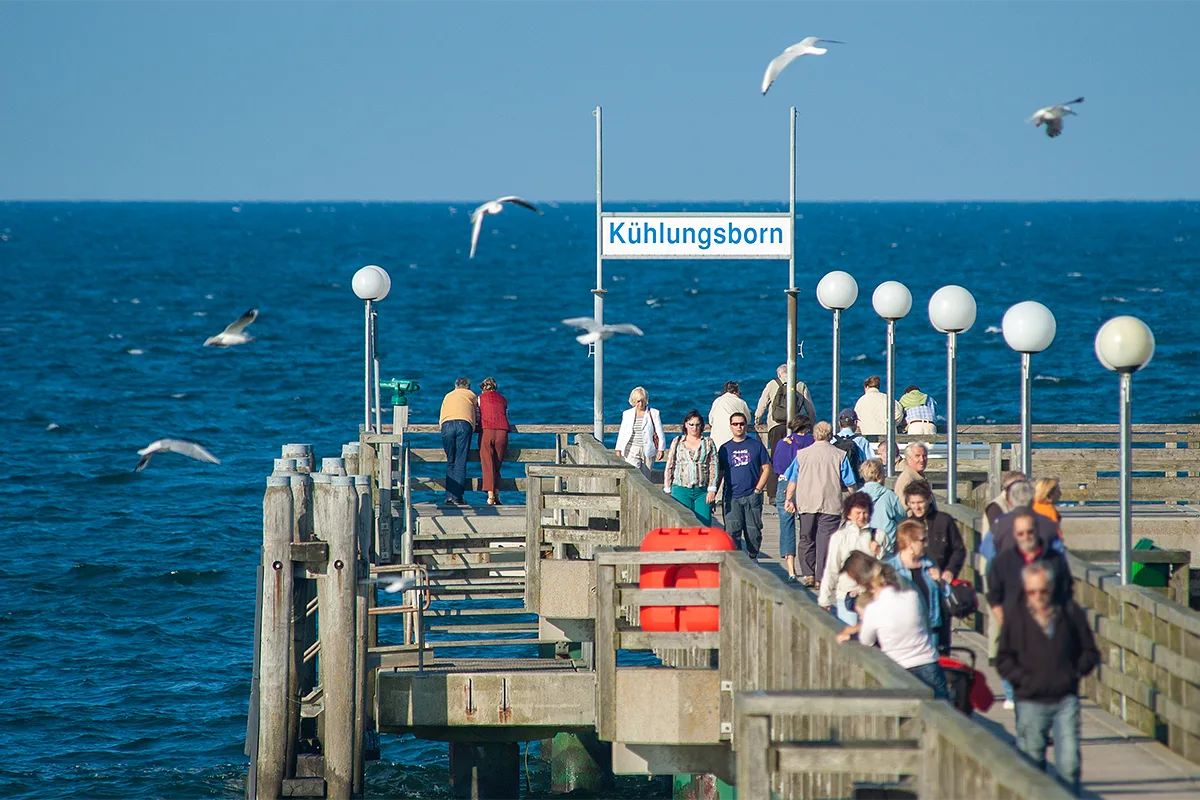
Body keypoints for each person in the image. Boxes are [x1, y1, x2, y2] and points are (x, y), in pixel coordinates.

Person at [996, 563, 1098, 795]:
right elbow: (1003, 659)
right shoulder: (1016, 617)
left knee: (1069, 764)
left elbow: (1090, 652)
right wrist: (1023, 680)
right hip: (1030, 700)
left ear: (1051, 588)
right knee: (1031, 764)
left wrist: (1072, 673)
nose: (1038, 597)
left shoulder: (1070, 612)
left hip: (1064, 699)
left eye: (1043, 591)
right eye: (1032, 592)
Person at [986, 510, 1074, 711]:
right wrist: (1003, 620)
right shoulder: (1004, 561)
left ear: (1037, 532)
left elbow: (1066, 590)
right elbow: (993, 594)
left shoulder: (1053, 560)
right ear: (1015, 535)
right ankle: (1015, 700)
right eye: (1021, 533)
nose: (1026, 537)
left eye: (1030, 532)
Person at [835, 551, 949, 699]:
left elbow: (868, 639)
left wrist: (855, 633)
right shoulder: (910, 595)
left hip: (899, 666)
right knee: (940, 715)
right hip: (928, 661)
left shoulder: (875, 608)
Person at [783, 421, 857, 587]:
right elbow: (850, 481)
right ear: (830, 435)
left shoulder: (802, 454)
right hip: (831, 503)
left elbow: (793, 480)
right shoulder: (839, 454)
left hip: (807, 501)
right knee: (825, 541)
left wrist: (788, 499)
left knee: (806, 538)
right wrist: (855, 499)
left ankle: (808, 573)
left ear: (814, 435)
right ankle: (820, 577)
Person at [819, 492, 883, 624]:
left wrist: (879, 551)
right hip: (847, 596)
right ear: (849, 514)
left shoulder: (879, 535)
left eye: (865, 513)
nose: (862, 517)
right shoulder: (840, 537)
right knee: (850, 638)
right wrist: (824, 598)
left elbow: (887, 567)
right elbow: (832, 568)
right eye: (857, 513)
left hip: (872, 597)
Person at [886, 519, 949, 652]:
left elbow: (946, 595)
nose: (926, 544)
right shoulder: (892, 569)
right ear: (909, 543)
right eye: (922, 540)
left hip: (931, 630)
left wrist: (940, 581)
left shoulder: (928, 564)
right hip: (904, 633)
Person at [717, 412, 771, 558]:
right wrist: (714, 491)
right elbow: (720, 472)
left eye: (741, 424)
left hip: (752, 495)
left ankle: (753, 558)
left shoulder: (756, 445)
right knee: (732, 531)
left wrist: (758, 489)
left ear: (746, 425)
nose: (739, 427)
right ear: (730, 426)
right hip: (731, 496)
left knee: (753, 532)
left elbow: (766, 468)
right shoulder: (724, 448)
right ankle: (737, 562)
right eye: (735, 424)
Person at [771, 415, 814, 582]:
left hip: (784, 484)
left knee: (786, 526)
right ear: (808, 427)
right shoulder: (812, 441)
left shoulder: (783, 443)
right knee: (808, 525)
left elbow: (778, 467)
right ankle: (809, 567)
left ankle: (790, 569)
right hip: (806, 485)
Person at [902, 480, 966, 584]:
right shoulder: (907, 526)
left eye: (920, 502)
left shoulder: (945, 520)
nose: (917, 507)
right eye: (912, 503)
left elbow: (959, 550)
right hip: (915, 581)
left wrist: (950, 571)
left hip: (942, 580)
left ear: (929, 500)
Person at [663, 410, 719, 525]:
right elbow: (670, 465)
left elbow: (713, 466)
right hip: (680, 489)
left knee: (704, 525)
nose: (694, 428)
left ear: (702, 426)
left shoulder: (708, 442)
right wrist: (667, 488)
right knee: (683, 525)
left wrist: (712, 489)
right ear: (685, 425)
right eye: (691, 424)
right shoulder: (677, 441)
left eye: (697, 425)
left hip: (702, 491)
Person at [990, 480, 1063, 555]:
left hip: (1007, 563)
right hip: (1040, 563)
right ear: (1032, 500)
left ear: (1010, 501)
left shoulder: (1000, 522)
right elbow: (1059, 549)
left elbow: (987, 548)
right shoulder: (1047, 521)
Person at [754, 364, 816, 452]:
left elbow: (762, 406)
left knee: (777, 455)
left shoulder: (772, 384)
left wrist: (758, 421)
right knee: (796, 455)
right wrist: (810, 425)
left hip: (776, 426)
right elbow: (811, 410)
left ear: (779, 374)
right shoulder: (801, 385)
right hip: (796, 427)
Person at [439, 377, 477, 506]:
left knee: (451, 461)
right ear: (468, 387)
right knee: (460, 461)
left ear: (456, 386)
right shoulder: (471, 396)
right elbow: (477, 414)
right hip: (463, 424)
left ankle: (449, 497)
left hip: (447, 424)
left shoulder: (448, 395)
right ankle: (457, 497)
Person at [615, 386, 666, 480]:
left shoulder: (654, 413)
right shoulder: (627, 414)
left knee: (646, 477)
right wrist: (618, 449)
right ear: (634, 401)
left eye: (643, 401)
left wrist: (661, 449)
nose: (641, 404)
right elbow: (622, 432)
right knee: (633, 475)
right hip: (632, 449)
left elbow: (660, 432)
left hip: (648, 449)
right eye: (638, 401)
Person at [858, 458, 907, 557]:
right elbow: (903, 519)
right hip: (887, 547)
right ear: (877, 475)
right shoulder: (890, 496)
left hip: (862, 546)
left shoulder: (857, 497)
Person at [477, 377, 513, 506]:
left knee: (488, 464)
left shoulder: (480, 399)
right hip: (502, 431)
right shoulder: (503, 399)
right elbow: (505, 415)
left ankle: (490, 496)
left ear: (483, 388)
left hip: (487, 431)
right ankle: (497, 493)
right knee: (497, 464)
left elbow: (477, 416)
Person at [709, 381, 754, 451]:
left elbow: (711, 420)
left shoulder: (717, 401)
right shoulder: (741, 402)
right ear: (736, 391)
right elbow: (747, 420)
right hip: (733, 438)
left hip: (717, 439)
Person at [832, 408, 872, 485]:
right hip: (855, 483)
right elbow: (871, 463)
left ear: (839, 423)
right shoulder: (862, 441)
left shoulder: (832, 440)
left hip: (835, 483)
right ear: (855, 422)